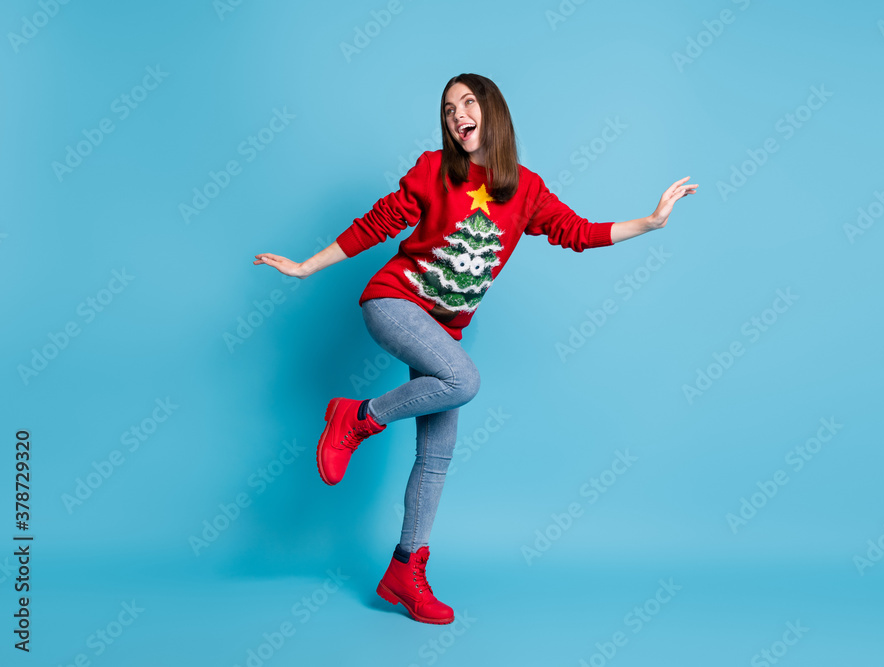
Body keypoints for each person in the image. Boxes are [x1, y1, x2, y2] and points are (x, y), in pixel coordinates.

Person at [253, 72, 697, 625]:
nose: (456, 115)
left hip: (441, 331)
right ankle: (357, 418)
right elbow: (377, 223)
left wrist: (651, 223)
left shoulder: (526, 191)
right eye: (447, 109)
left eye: (467, 103)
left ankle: (404, 569)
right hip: (393, 302)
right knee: (463, 382)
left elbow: (577, 232)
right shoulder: (433, 170)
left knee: (436, 456)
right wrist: (304, 267)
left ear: (493, 112)